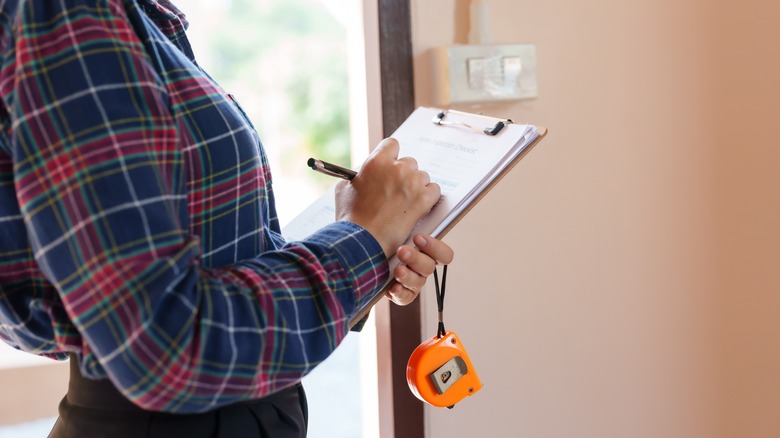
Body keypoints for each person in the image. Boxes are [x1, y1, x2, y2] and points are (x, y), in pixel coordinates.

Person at [0, 1, 454, 437]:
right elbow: (165, 342)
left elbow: (73, 302)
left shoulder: (130, 16)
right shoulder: (70, 14)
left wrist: (359, 243)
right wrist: (360, 240)